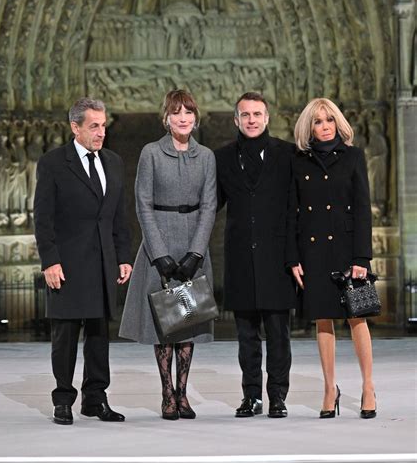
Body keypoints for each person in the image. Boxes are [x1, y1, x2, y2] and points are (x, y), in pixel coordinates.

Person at [34, 98, 132, 425]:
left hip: (103, 262)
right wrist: (49, 261)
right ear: (75, 127)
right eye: (94, 126)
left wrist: (123, 257)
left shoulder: (114, 162)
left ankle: (95, 399)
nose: (101, 132)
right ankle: (63, 399)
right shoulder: (52, 163)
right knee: (65, 337)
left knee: (99, 335)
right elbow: (43, 218)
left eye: (104, 125)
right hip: (67, 265)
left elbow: (119, 215)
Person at [119, 89, 216, 420]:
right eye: (177, 112)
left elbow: (209, 206)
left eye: (188, 112)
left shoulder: (205, 156)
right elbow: (142, 203)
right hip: (158, 243)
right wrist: (159, 253)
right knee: (164, 325)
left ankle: (183, 394)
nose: (183, 118)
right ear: (166, 117)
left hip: (193, 247)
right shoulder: (151, 153)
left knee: (186, 324)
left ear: (195, 117)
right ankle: (166, 394)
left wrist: (196, 252)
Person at [287, 98, 376, 419]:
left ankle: (368, 387)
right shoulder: (298, 161)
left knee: (358, 318)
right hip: (313, 252)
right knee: (323, 320)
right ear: (307, 127)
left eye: (328, 120)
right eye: (317, 121)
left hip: (349, 251)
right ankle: (329, 388)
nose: (323, 127)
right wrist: (293, 257)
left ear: (338, 123)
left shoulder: (353, 157)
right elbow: (292, 214)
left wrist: (362, 257)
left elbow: (363, 210)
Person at [215, 92, 296, 419]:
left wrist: (296, 256)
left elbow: (296, 210)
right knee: (246, 337)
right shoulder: (222, 158)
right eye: (245, 114)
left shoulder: (287, 154)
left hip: (277, 260)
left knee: (279, 335)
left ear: (267, 118)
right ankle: (252, 397)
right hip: (240, 260)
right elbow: (211, 204)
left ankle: (277, 396)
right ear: (236, 120)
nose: (251, 119)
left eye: (257, 114)